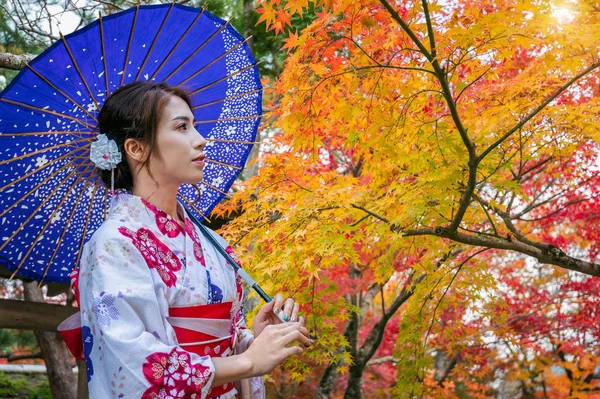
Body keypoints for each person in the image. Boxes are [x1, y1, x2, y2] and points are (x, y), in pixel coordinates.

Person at [69, 81, 311, 399]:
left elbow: (230, 343)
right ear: (136, 148)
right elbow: (134, 364)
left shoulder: (213, 243)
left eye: (194, 125)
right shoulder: (112, 246)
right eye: (182, 127)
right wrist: (247, 362)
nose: (200, 140)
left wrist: (252, 341)